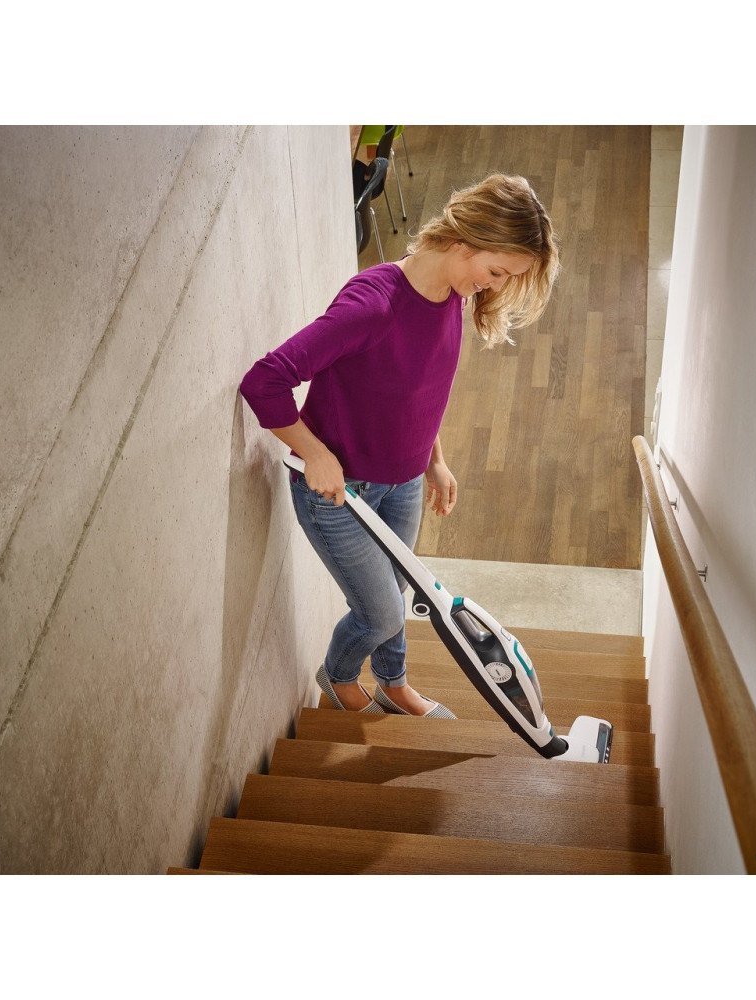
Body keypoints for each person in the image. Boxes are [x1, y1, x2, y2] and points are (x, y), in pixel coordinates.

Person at [239, 173, 559, 717]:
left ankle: (393, 684)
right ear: (465, 241)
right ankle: (339, 678)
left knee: (399, 592)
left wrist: (435, 460)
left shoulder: (450, 294)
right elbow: (264, 380)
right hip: (341, 496)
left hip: (404, 483)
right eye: (497, 271)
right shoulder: (373, 305)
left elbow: (417, 390)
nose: (494, 286)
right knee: (381, 614)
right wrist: (314, 453)